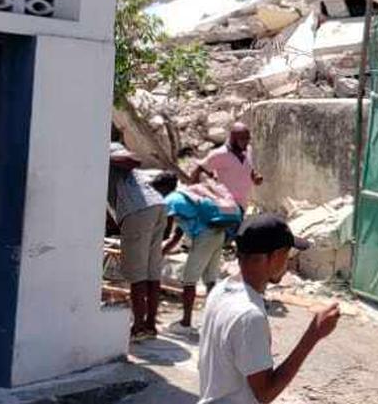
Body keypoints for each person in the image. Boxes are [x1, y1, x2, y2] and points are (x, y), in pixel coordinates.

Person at [198, 214, 339, 404]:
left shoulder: (221, 289)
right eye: (287, 254)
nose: (288, 263)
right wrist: (313, 335)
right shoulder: (249, 316)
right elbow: (265, 393)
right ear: (276, 256)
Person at [160, 173, 243, 335]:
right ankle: (213, 321)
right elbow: (177, 235)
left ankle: (185, 323)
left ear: (162, 188)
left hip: (204, 237)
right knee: (210, 280)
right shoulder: (186, 197)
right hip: (218, 233)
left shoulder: (170, 200)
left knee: (189, 281)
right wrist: (162, 252)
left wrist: (154, 249)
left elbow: (166, 233)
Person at [108, 143, 168, 341]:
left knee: (138, 275)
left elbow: (134, 160)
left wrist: (102, 158)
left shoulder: (111, 154)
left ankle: (139, 327)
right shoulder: (130, 174)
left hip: (137, 211)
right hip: (157, 206)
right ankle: (150, 325)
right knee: (151, 272)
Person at [193, 122, 263, 209]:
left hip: (243, 203)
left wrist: (255, 176)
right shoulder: (220, 154)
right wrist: (194, 197)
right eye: (242, 139)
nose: (246, 142)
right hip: (226, 204)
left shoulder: (248, 150)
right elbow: (200, 168)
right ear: (233, 139)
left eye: (248, 138)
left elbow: (248, 168)